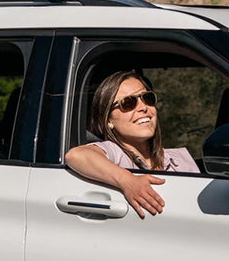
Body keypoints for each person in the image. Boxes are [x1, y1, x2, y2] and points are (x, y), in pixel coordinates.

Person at [65, 70, 199, 218]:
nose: (143, 107)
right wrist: (127, 181)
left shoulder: (179, 158)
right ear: (108, 120)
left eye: (147, 98)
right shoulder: (114, 153)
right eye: (128, 103)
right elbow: (76, 155)